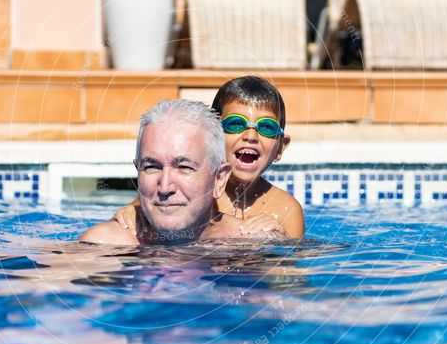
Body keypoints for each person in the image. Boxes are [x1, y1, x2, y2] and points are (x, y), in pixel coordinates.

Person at [113, 76, 305, 238]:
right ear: (212, 139)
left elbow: (288, 275)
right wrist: (130, 214)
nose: (250, 136)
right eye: (236, 124)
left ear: (280, 147)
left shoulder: (286, 210)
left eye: (267, 128)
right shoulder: (189, 191)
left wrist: (279, 239)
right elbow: (145, 206)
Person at [79, 99, 284, 245]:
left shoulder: (255, 247)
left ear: (219, 179)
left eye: (185, 167)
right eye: (151, 166)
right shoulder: (103, 246)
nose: (165, 186)